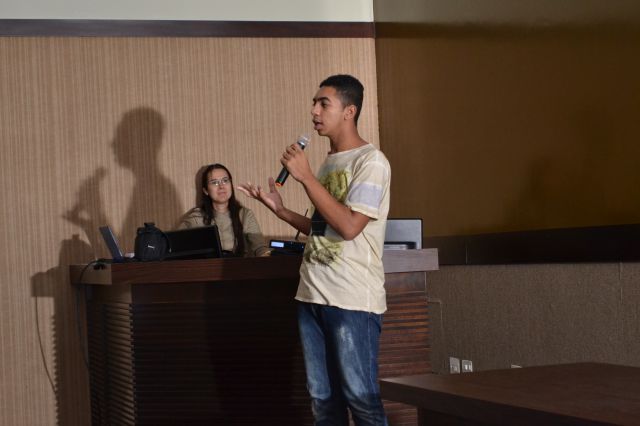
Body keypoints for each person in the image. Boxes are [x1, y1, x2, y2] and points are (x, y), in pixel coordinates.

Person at [238, 74, 391, 425]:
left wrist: (305, 177)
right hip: (311, 295)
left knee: (362, 401)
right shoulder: (329, 162)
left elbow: (350, 227)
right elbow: (324, 227)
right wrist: (281, 211)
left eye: (324, 104)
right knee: (323, 404)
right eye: (314, 103)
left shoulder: (371, 162)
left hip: (352, 301)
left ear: (349, 111)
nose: (314, 111)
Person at [179, 163, 270, 257]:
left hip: (239, 265)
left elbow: (260, 248)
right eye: (214, 182)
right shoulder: (196, 218)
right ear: (206, 190)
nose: (221, 186)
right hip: (208, 265)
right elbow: (176, 247)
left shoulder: (245, 215)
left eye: (225, 181)